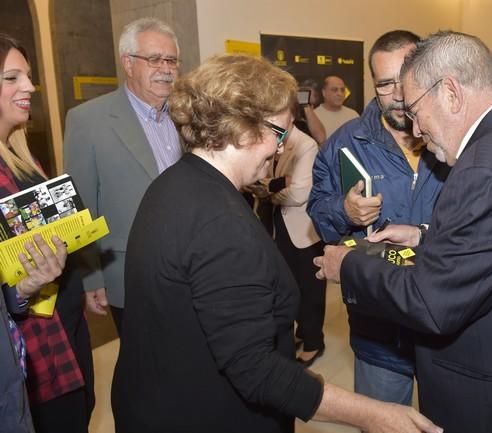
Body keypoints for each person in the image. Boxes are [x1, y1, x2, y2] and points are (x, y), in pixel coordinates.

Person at [111, 54, 440, 433]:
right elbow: (256, 369)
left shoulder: (175, 182)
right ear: (243, 128)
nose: (282, 149)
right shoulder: (219, 221)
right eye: (280, 134)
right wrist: (375, 414)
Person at [315, 30, 492, 433]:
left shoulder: (481, 169)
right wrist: (424, 236)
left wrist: (347, 266)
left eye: (414, 110)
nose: (414, 129)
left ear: (450, 93)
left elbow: (433, 303)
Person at [308, 30, 447, 406]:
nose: (399, 95)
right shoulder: (345, 143)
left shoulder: (454, 137)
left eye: (405, 80)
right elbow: (318, 215)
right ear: (373, 85)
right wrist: (344, 210)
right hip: (379, 326)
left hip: (448, 318)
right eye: (386, 84)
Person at [63, 17, 183, 335]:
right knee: (144, 369)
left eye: (171, 60)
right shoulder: (88, 121)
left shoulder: (188, 116)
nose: (166, 69)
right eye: (154, 59)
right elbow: (81, 207)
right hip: (130, 272)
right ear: (128, 63)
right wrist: (92, 277)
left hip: (190, 266)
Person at [0, 34, 92, 433]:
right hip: (25, 343)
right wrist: (20, 289)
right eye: (11, 77)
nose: (30, 87)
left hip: (59, 321)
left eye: (30, 76)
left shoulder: (22, 156)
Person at [258, 125, 327, 366]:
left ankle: (314, 342)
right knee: (289, 284)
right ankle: (301, 332)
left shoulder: (305, 144)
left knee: (310, 287)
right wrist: (277, 184)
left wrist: (270, 191)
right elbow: (260, 179)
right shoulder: (272, 138)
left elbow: (299, 194)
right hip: (279, 223)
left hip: (305, 227)